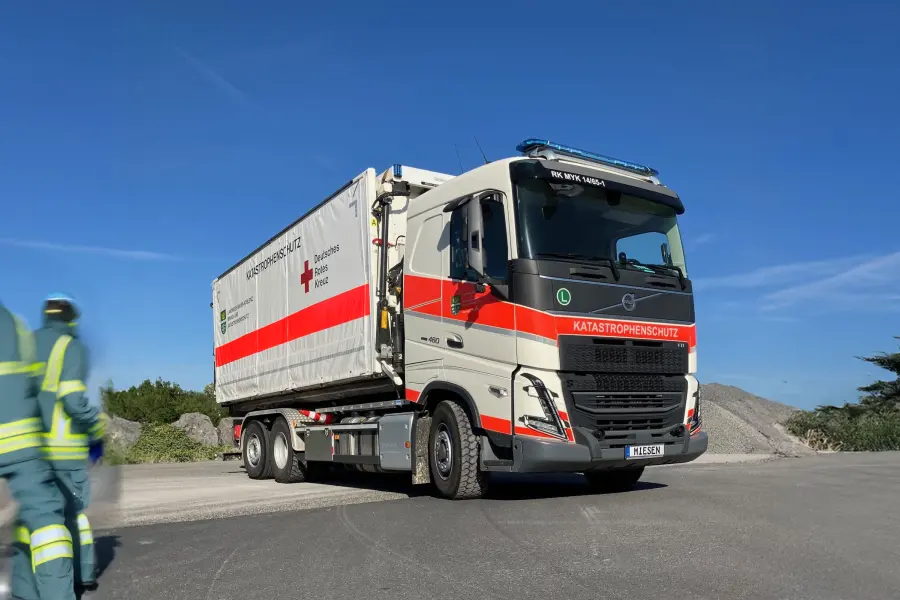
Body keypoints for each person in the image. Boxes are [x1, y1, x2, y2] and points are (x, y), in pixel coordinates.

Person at [1, 300, 77, 600]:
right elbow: (35, 387)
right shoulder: (14, 323)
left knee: (28, 525)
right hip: (22, 442)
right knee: (45, 523)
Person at [32, 294, 107, 594]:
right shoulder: (71, 346)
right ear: (71, 320)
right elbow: (73, 401)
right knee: (73, 516)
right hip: (64, 451)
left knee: (43, 523)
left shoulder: (27, 345)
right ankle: (81, 574)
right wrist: (96, 431)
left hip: (30, 451)